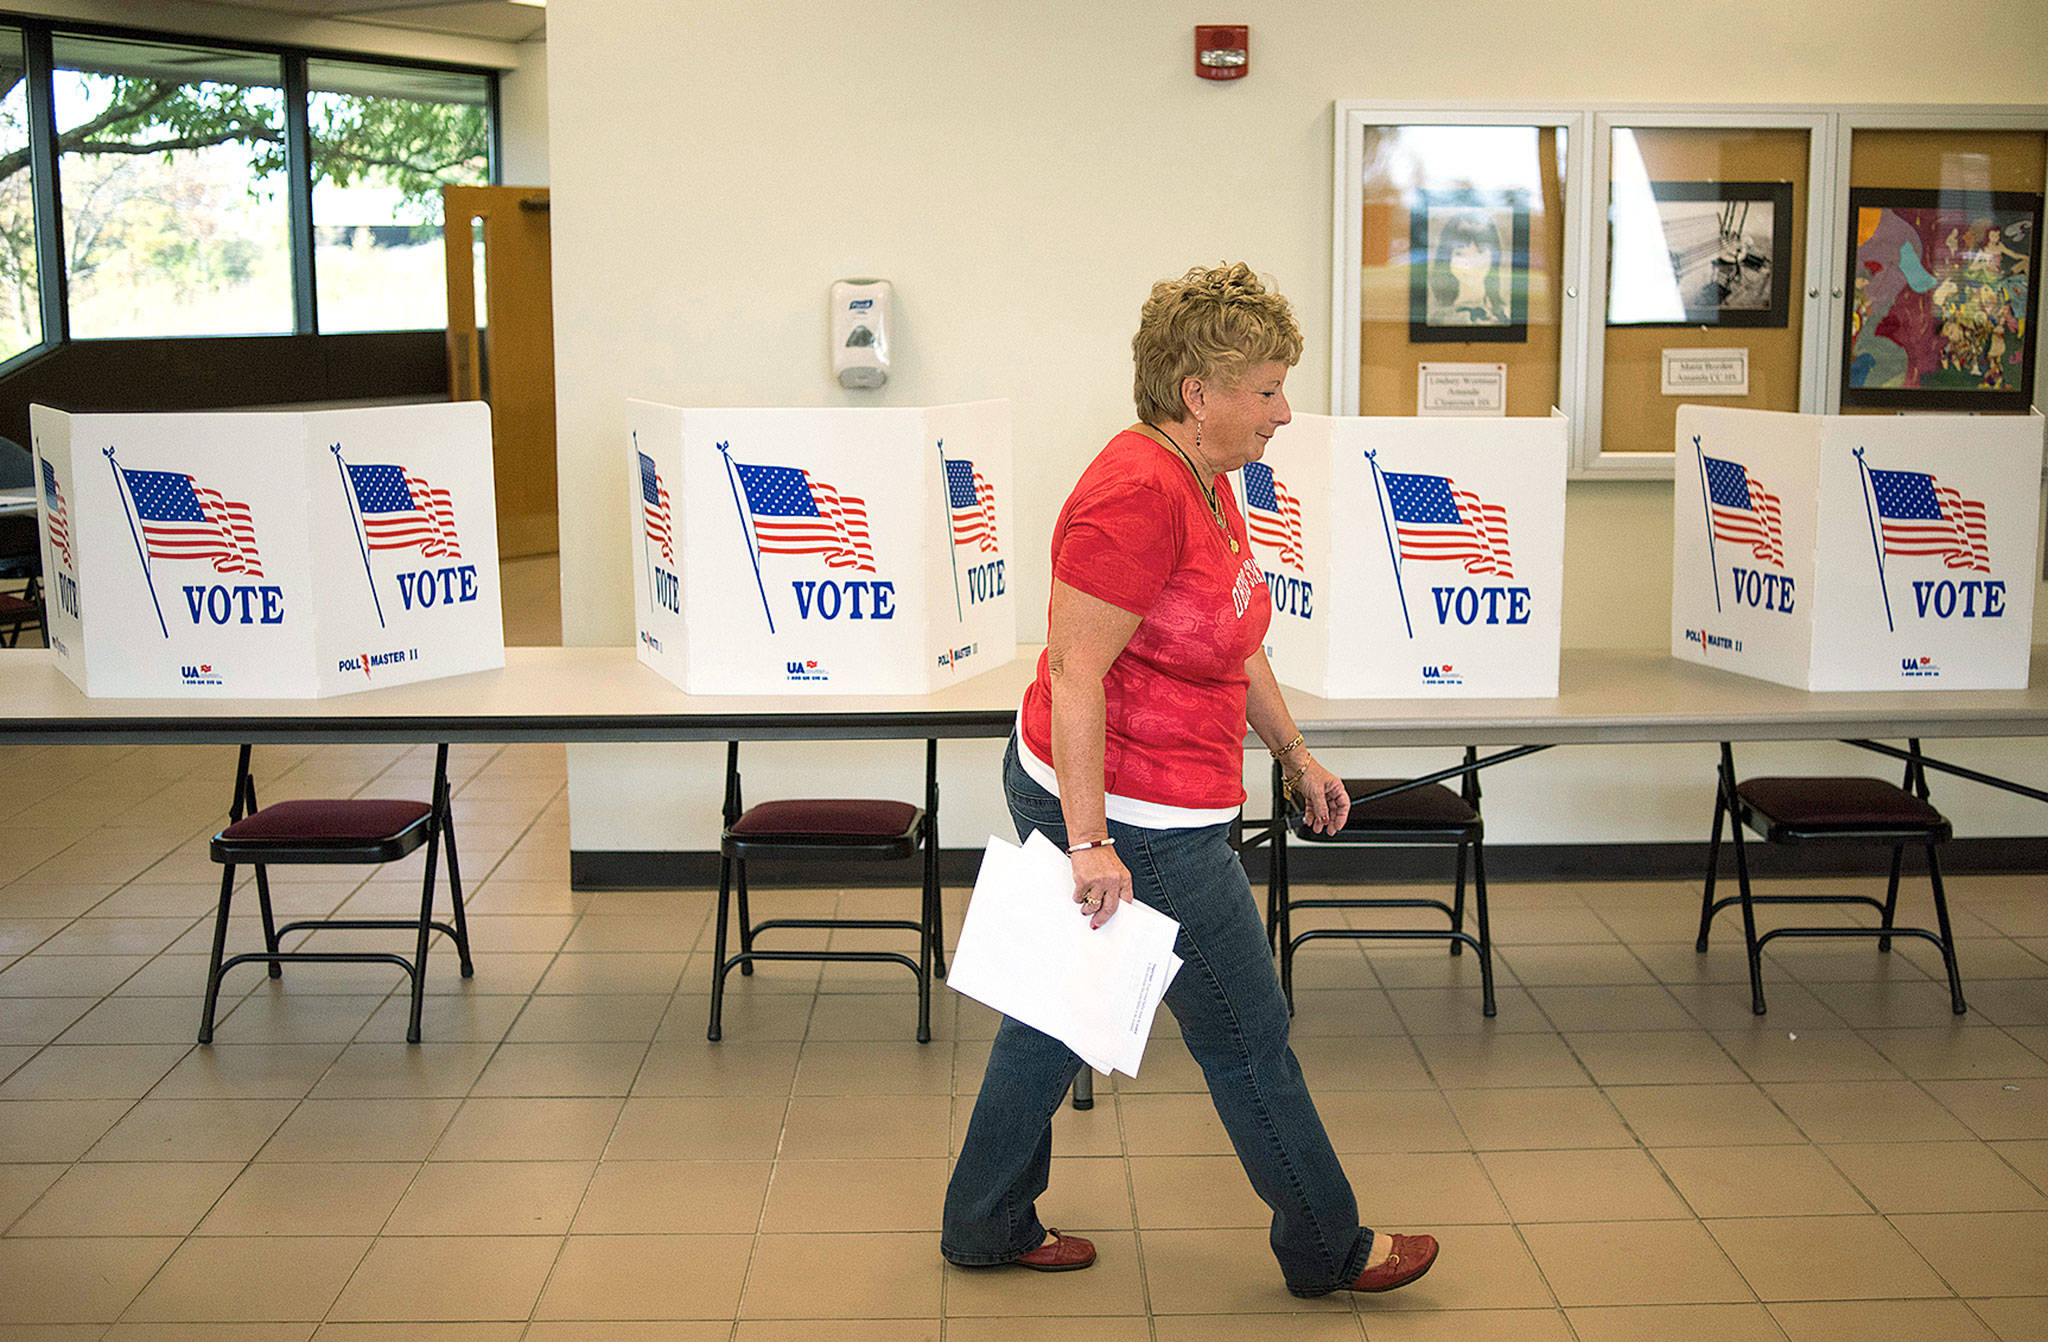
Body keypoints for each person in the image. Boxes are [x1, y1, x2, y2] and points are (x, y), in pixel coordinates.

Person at [940, 263, 1440, 1297]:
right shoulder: (1132, 494)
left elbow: (1235, 637)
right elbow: (1077, 672)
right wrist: (1091, 845)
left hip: (1149, 795)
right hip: (1129, 811)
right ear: (1195, 392)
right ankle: (1325, 1244)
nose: (1283, 412)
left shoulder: (1205, 479)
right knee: (1245, 1034)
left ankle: (982, 1218)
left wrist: (1293, 754)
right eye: (1264, 390)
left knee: (1056, 1004)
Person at [1428, 211, 1509, 326]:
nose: (1471, 264)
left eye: (1481, 252)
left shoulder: (1506, 311)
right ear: (1446, 258)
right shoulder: (1435, 316)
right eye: (1460, 254)